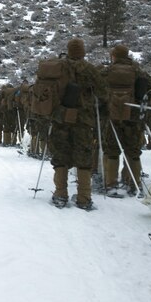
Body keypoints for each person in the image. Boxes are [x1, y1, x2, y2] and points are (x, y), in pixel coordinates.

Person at [49, 38, 107, 209]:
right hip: (83, 120)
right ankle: (84, 198)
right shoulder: (89, 69)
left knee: (60, 156)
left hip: (61, 118)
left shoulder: (58, 67)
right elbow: (103, 93)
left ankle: (60, 194)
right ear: (83, 52)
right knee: (84, 158)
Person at [101, 44, 148, 197]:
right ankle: (134, 184)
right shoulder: (137, 70)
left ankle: (111, 185)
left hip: (112, 116)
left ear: (114, 56)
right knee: (133, 151)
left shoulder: (108, 71)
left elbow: (98, 89)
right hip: (133, 117)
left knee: (112, 150)